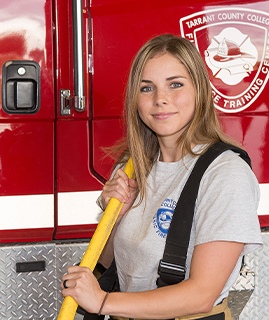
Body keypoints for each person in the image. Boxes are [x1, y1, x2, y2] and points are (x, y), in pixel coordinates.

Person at [60, 34, 263, 320]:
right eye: (147, 88)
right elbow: (111, 265)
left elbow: (202, 295)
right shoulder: (133, 166)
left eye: (175, 84)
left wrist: (103, 302)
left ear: (199, 91)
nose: (160, 99)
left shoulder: (225, 174)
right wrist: (114, 218)